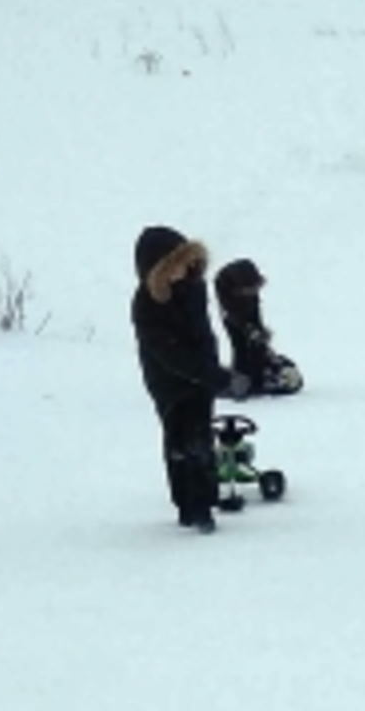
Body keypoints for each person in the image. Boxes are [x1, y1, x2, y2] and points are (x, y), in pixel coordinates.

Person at [131, 225, 247, 534]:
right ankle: (188, 505)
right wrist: (217, 376)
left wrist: (214, 370)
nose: (184, 269)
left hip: (201, 372)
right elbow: (169, 354)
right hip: (167, 379)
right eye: (176, 264)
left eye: (187, 261)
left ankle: (204, 500)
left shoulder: (194, 288)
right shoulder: (146, 304)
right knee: (180, 437)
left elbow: (202, 332)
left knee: (201, 435)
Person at [213, 258, 304, 396]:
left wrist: (259, 331)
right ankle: (244, 378)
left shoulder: (249, 285)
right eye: (249, 290)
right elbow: (232, 315)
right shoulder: (224, 286)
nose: (254, 292)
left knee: (256, 342)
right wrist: (248, 329)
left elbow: (255, 311)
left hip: (242, 300)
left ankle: (257, 374)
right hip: (232, 309)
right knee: (240, 344)